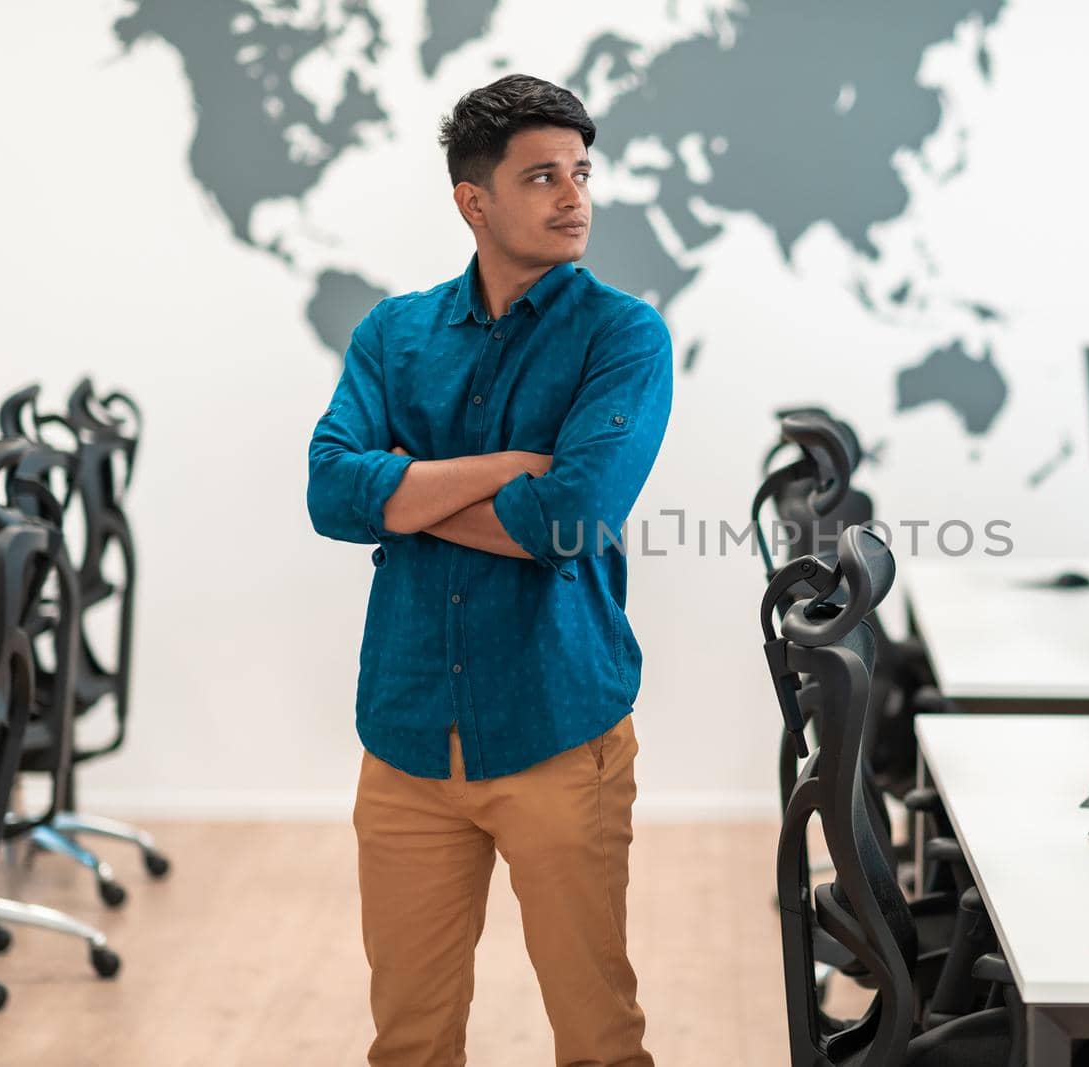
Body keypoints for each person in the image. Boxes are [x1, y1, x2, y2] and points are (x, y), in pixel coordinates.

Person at [306, 72, 670, 1067]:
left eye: (581, 172)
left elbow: (571, 519)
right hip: (408, 735)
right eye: (542, 176)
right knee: (409, 1040)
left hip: (557, 726)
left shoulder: (623, 336)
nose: (573, 197)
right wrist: (504, 470)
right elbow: (329, 495)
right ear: (475, 200)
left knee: (599, 1036)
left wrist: (408, 495)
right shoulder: (395, 333)